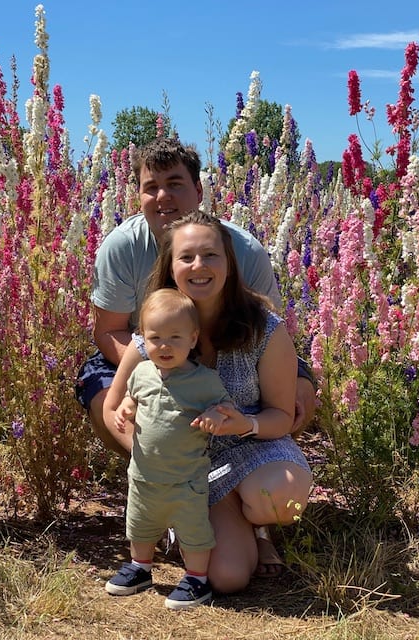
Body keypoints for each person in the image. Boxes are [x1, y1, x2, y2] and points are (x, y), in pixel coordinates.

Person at [75, 137, 316, 574]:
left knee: (292, 430)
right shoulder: (122, 247)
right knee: (225, 577)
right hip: (150, 352)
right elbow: (110, 332)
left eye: (175, 184)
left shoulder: (245, 252)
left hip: (240, 406)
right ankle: (166, 500)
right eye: (152, 187)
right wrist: (151, 377)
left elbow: (270, 329)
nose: (163, 196)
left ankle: (256, 520)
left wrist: (266, 413)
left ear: (199, 191)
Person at [103, 211, 313, 594]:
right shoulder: (156, 330)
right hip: (190, 472)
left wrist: (243, 424)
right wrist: (157, 456)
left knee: (280, 498)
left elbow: (281, 416)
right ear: (170, 268)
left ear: (229, 264)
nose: (199, 266)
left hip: (254, 450)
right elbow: (114, 406)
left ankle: (259, 520)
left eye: (210, 255)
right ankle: (237, 524)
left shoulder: (264, 329)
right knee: (228, 578)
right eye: (186, 257)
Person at [105, 288, 233, 610]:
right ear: (143, 339)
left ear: (193, 339)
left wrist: (213, 415)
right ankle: (141, 567)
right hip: (145, 475)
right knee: (140, 524)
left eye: (175, 337)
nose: (164, 346)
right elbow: (132, 398)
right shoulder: (143, 372)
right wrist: (125, 408)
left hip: (186, 480)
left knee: (194, 531)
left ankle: (197, 578)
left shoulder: (205, 381)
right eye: (155, 337)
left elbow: (225, 408)